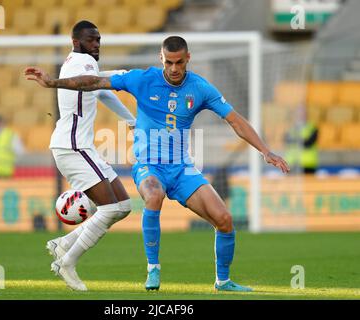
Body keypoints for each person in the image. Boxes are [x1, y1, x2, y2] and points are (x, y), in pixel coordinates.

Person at [24, 36, 290, 293]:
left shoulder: (200, 88)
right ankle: (153, 268)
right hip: (149, 166)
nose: (174, 69)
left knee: (224, 219)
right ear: (160, 59)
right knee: (153, 195)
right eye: (168, 63)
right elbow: (95, 82)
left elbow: (236, 121)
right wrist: (53, 83)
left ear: (188, 59)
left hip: (182, 169)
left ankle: (223, 281)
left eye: (179, 63)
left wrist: (265, 151)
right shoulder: (144, 79)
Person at [40, 21, 136, 291]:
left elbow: (101, 88)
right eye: (91, 40)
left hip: (80, 147)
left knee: (124, 205)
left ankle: (63, 244)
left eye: (99, 40)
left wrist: (131, 121)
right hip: (73, 147)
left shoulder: (80, 63)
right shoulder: (81, 61)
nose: (96, 45)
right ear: (76, 42)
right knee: (111, 208)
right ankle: (67, 262)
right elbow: (96, 82)